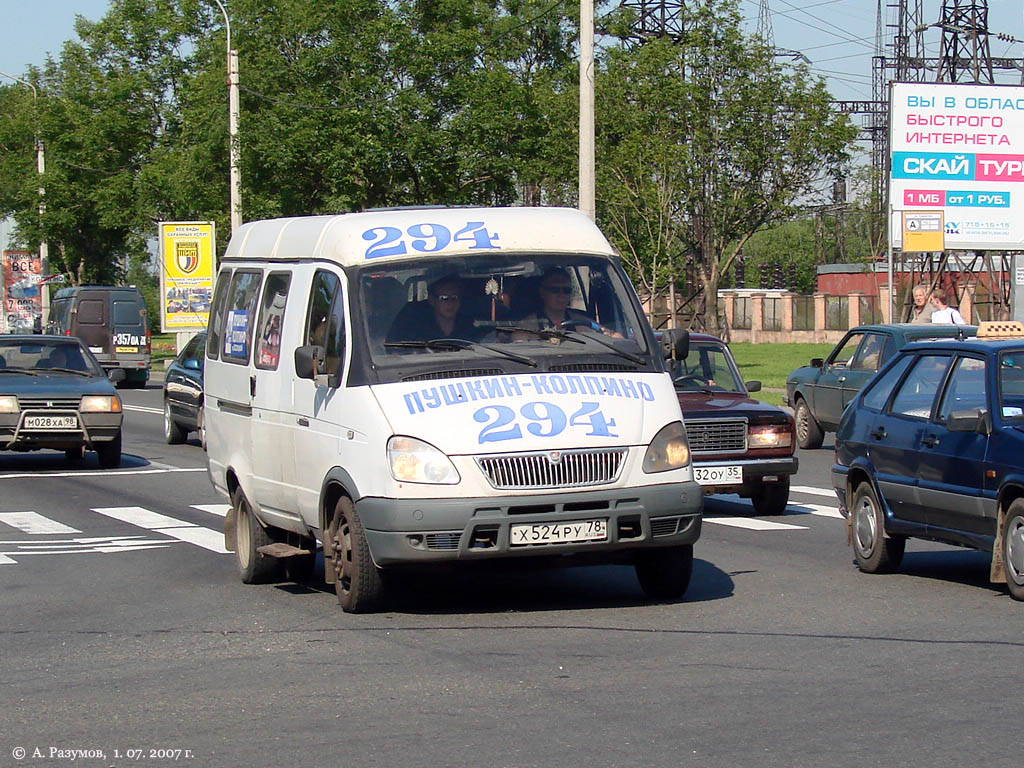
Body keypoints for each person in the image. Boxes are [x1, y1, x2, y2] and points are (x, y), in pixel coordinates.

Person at [519, 268, 621, 337]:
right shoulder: (528, 326)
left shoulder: (583, 323)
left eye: (566, 290)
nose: (561, 295)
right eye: (555, 290)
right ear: (542, 292)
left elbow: (614, 337)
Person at [386, 275, 479, 343]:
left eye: (454, 297)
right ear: (432, 300)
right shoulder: (415, 329)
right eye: (444, 298)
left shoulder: (469, 327)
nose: (450, 303)